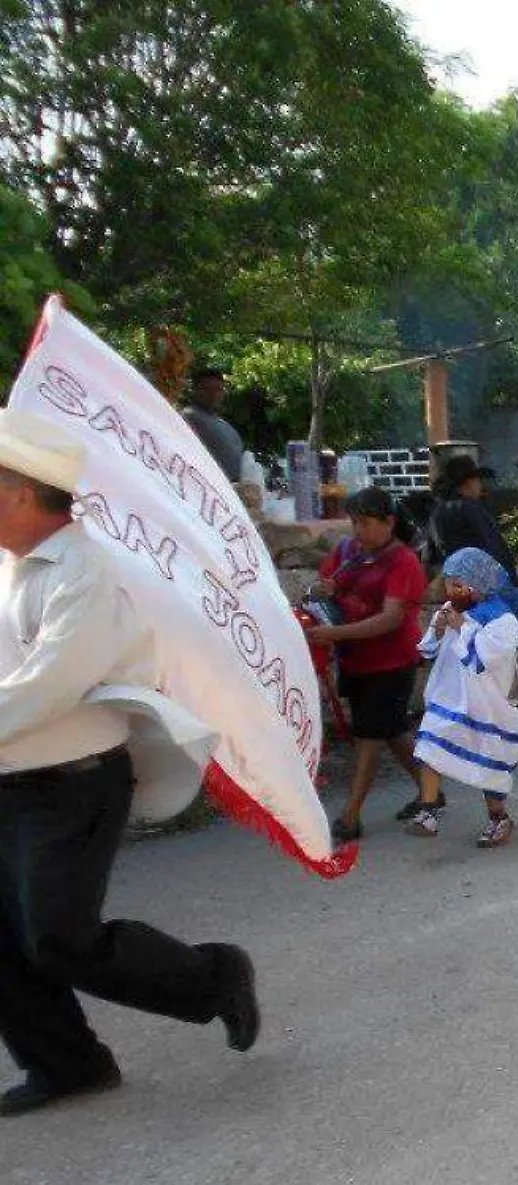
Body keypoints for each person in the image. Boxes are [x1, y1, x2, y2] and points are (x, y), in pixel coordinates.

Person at [0, 408, 260, 1117]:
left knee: (58, 934)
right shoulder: (11, 566)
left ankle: (212, 976)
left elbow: (50, 683)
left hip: (70, 783)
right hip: (7, 781)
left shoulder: (87, 572)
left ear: (21, 491)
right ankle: (66, 1063)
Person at [305, 487, 427, 842]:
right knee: (390, 730)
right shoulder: (348, 553)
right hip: (357, 659)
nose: (359, 530)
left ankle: (350, 815)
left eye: (366, 523)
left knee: (369, 736)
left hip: (391, 662)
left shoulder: (404, 562)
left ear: (389, 522)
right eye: (355, 522)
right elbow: (322, 586)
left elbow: (391, 619)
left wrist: (335, 633)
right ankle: (429, 790)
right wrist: (320, 592)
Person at [404, 549, 518, 848]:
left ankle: (498, 817)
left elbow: (489, 657)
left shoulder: (503, 619)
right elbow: (428, 649)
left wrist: (461, 626)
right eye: (449, 583)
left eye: (457, 584)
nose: (449, 591)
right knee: (430, 743)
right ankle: (428, 811)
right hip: (449, 698)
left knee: (489, 761)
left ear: (477, 584)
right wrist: (438, 630)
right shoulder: (453, 611)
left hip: (485, 704)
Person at [429, 455, 518, 645]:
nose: (481, 485)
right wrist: (510, 579)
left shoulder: (437, 513)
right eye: (478, 480)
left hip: (456, 586)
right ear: (469, 482)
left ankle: (477, 639)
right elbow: (493, 547)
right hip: (489, 582)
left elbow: (431, 555)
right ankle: (484, 642)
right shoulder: (470, 508)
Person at [180, 365, 244, 483]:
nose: (213, 394)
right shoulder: (189, 417)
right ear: (194, 390)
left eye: (218, 389)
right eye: (206, 389)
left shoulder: (225, 425)